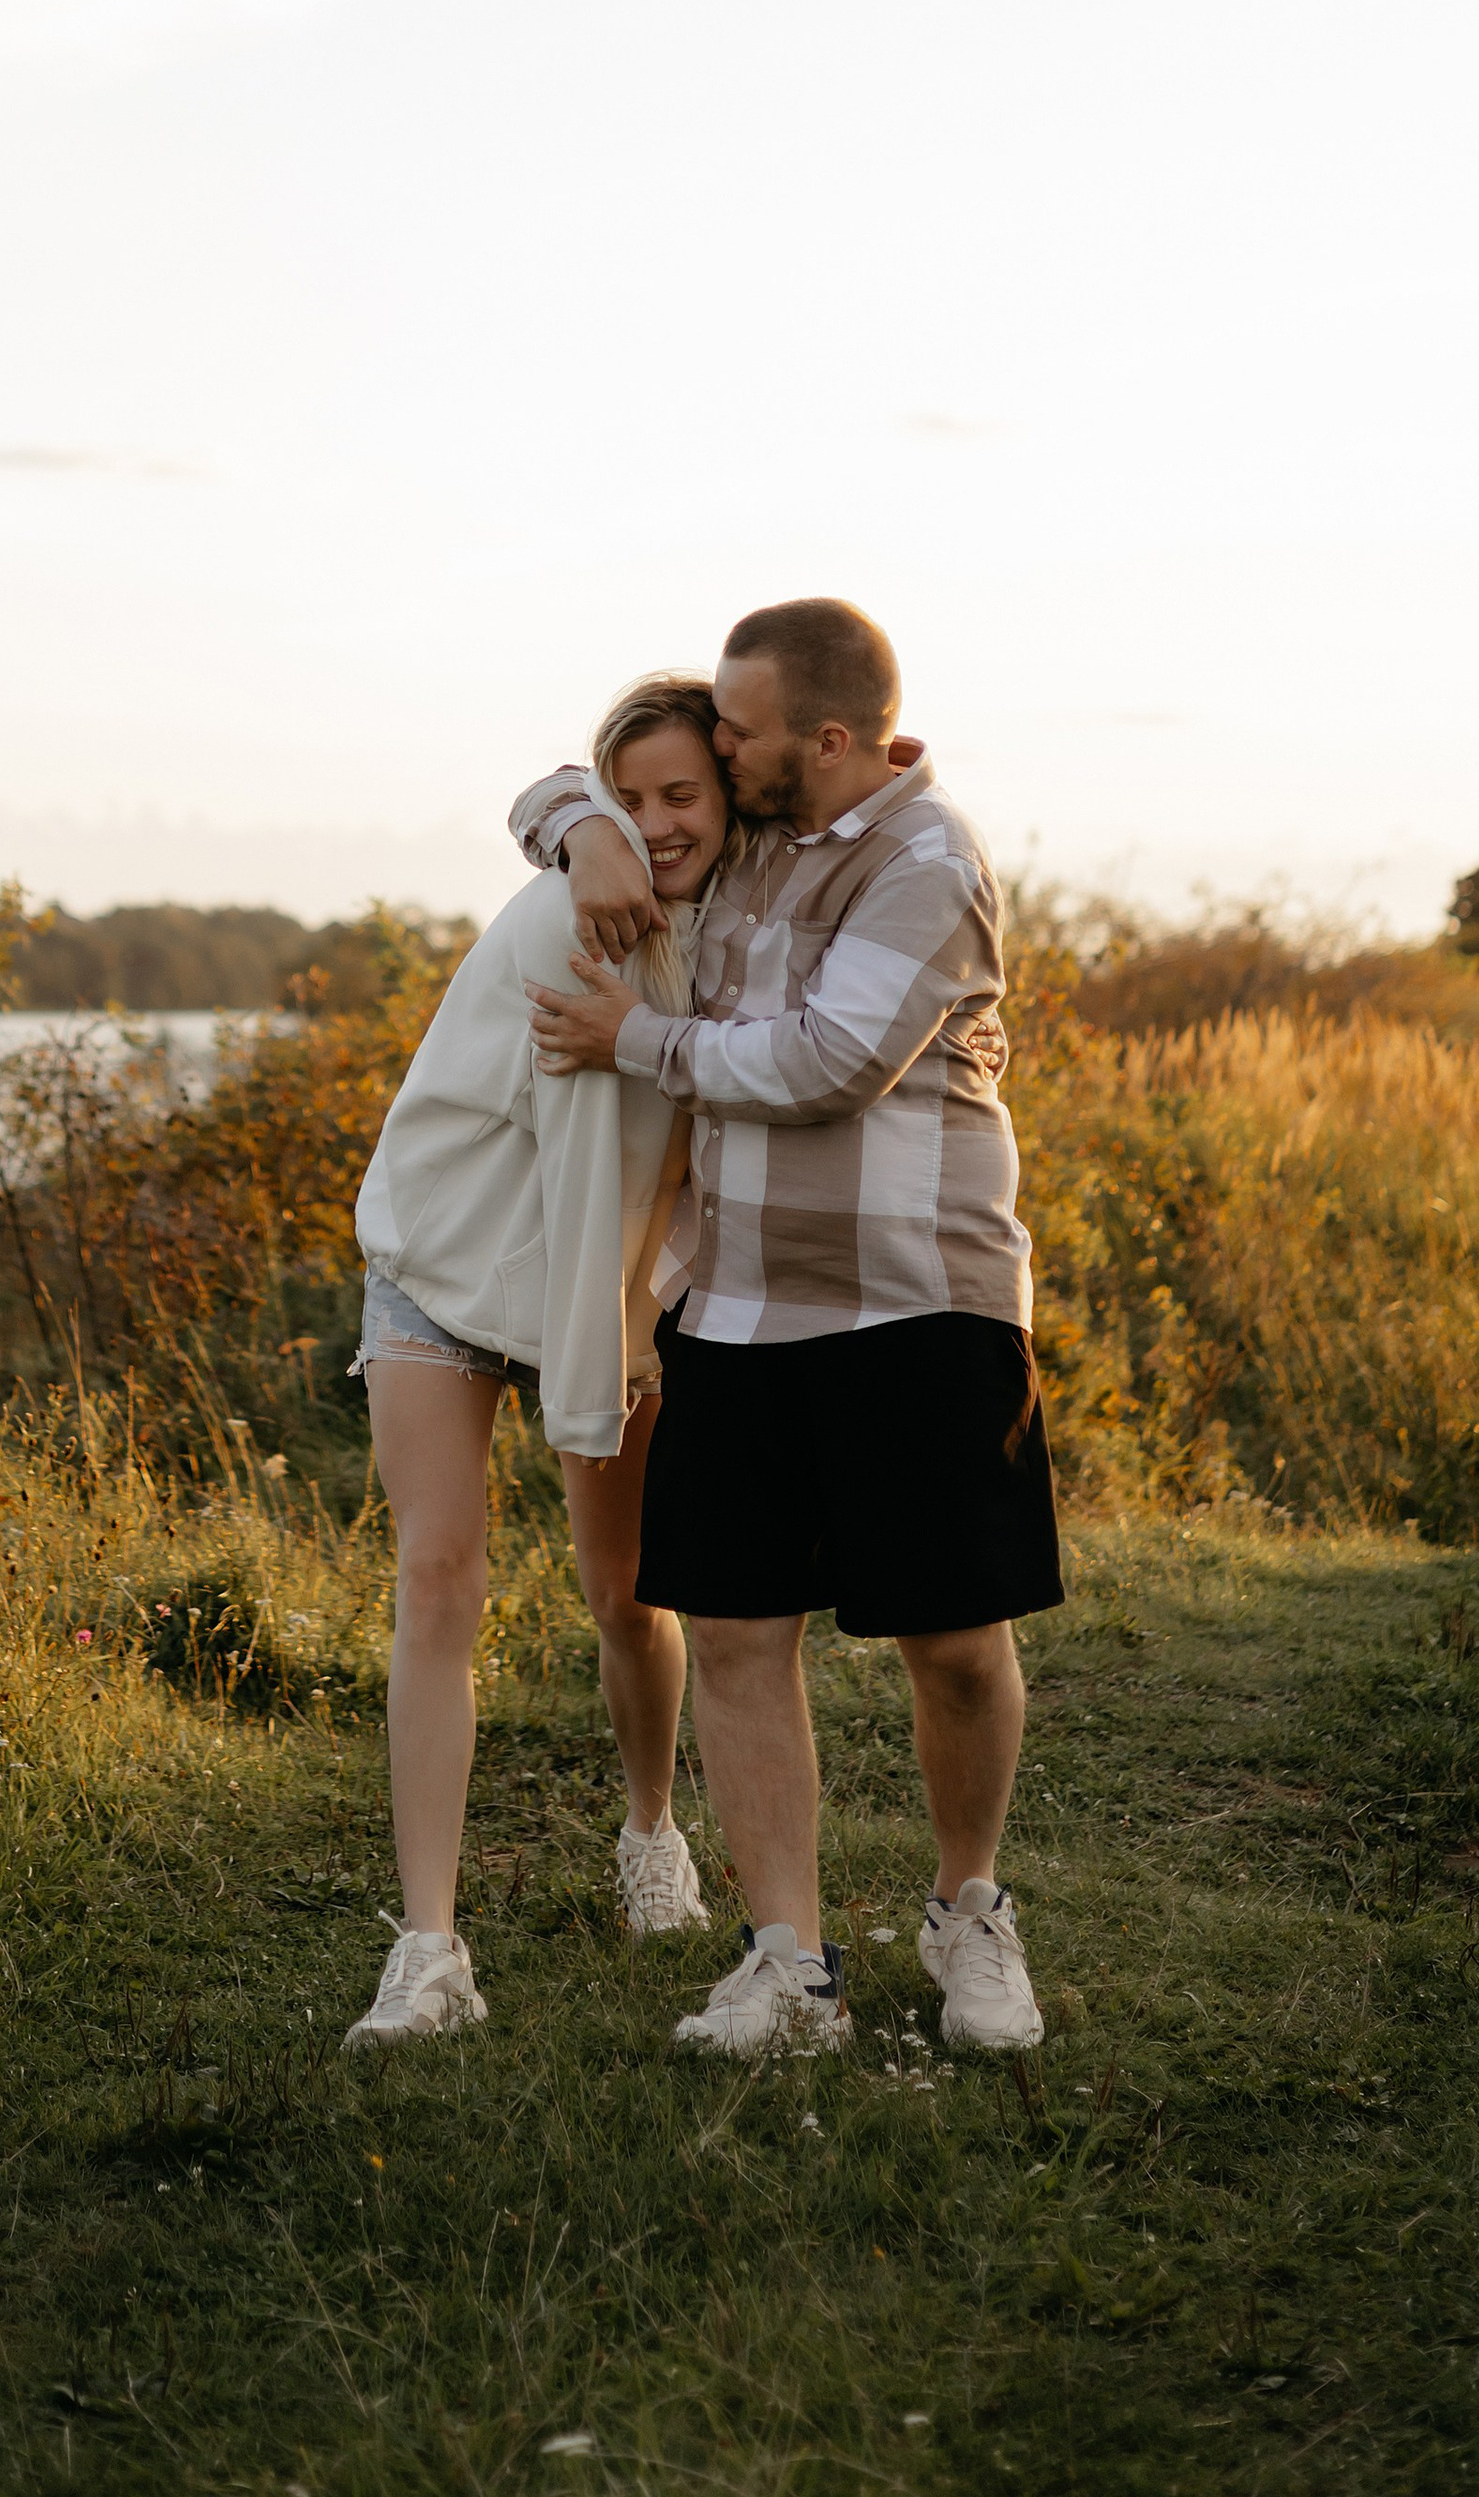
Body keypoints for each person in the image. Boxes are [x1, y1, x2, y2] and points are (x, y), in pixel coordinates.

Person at [521, 596, 1059, 2061]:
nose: (721, 744)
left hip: (919, 1300)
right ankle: (788, 1965)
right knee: (741, 1630)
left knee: (953, 1639)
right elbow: (570, 783)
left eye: (741, 730)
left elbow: (830, 1061)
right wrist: (590, 830)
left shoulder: (928, 861)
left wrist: (631, 1040)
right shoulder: (756, 832)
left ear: (826, 740)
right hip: (738, 1308)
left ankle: (969, 1912)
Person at [341, 674, 737, 2049]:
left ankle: (649, 1827)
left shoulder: (746, 937)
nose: (652, 822)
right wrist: (583, 825)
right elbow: (576, 1149)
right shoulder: (579, 902)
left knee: (625, 1589)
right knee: (439, 1576)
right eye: (628, 798)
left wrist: (633, 1316)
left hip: (604, 1290)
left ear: (730, 798)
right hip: (442, 1261)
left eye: (681, 794)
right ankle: (430, 1945)